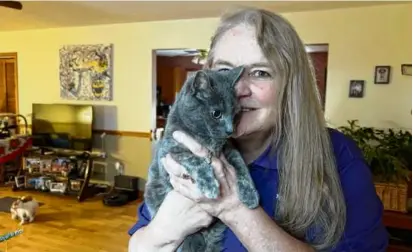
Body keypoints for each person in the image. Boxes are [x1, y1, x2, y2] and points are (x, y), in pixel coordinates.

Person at [128, 7, 389, 252]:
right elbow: (139, 243)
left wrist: (234, 208)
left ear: (290, 86)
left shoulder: (339, 157)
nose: (237, 90)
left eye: (261, 73)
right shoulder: (184, 148)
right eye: (225, 71)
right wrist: (164, 230)